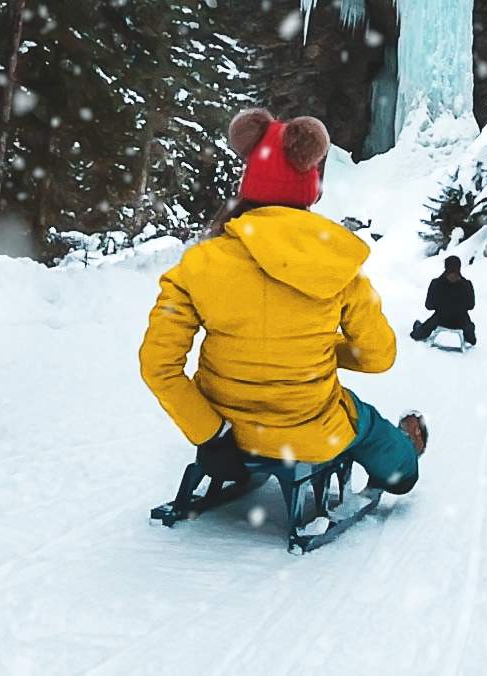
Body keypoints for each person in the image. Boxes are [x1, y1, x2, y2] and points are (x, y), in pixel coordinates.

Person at [139, 108, 429, 494]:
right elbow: (379, 356)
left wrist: (210, 432)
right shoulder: (339, 265)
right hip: (310, 431)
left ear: (250, 185)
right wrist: (320, 345)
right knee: (367, 423)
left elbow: (158, 366)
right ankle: (403, 464)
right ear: (308, 187)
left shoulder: (196, 264)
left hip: (228, 429)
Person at [410, 256, 477, 347]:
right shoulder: (466, 284)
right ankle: (420, 327)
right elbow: (470, 306)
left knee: (472, 341)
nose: (452, 276)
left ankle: (420, 327)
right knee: (416, 335)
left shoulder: (437, 283)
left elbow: (429, 305)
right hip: (457, 319)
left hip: (442, 318)